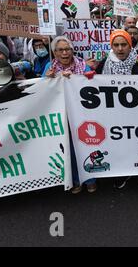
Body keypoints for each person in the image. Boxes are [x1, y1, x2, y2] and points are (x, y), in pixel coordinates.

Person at [95, 29, 138, 189]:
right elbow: (93, 83)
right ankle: (123, 172)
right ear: (111, 46)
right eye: (116, 45)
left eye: (123, 44)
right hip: (116, 116)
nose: (120, 48)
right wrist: (87, 78)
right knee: (121, 146)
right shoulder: (104, 63)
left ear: (130, 45)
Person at [43, 36, 95, 193]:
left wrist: (76, 78)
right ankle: (75, 180)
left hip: (82, 114)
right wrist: (48, 79)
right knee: (69, 148)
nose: (65, 53)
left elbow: (91, 82)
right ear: (54, 52)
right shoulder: (49, 67)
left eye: (68, 49)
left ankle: (90, 178)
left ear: (73, 51)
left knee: (87, 144)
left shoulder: (82, 65)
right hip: (62, 115)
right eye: (60, 50)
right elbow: (41, 91)